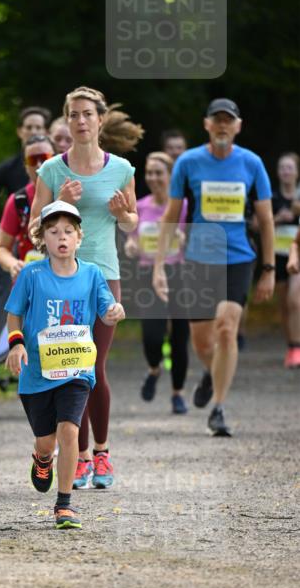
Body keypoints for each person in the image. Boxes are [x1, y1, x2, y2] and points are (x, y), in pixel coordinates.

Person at [30, 86, 139, 490]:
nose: (80, 121)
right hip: (61, 278)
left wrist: (122, 213)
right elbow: (32, 230)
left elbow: (131, 223)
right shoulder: (52, 171)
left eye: (87, 114)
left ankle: (102, 453)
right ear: (67, 119)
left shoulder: (122, 169)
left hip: (104, 276)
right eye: (73, 114)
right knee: (68, 364)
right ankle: (78, 457)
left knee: (94, 365)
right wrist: (57, 201)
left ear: (99, 119)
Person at [153, 98, 275, 436]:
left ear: (238, 126)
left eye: (228, 120)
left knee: (226, 327)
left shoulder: (251, 163)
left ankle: (218, 408)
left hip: (237, 257)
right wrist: (159, 265)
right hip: (198, 258)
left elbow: (265, 220)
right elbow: (170, 216)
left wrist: (268, 269)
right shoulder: (189, 163)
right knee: (203, 344)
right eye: (216, 120)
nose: (222, 125)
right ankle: (212, 371)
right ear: (207, 124)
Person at [5, 201, 125, 528]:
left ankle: (65, 504)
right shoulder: (32, 274)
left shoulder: (91, 274)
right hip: (37, 372)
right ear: (42, 238)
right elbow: (13, 312)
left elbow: (107, 307)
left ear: (79, 237)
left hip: (76, 368)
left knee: (69, 431)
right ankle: (42, 458)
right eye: (53, 231)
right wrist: (16, 343)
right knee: (46, 442)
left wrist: (115, 311)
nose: (62, 237)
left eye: (68, 232)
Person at [124, 152, 190, 414]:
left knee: (180, 337)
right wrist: (131, 246)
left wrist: (185, 239)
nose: (152, 177)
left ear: (170, 176)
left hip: (180, 273)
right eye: (149, 172)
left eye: (158, 172)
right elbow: (132, 239)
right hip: (147, 274)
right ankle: (154, 368)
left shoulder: (184, 205)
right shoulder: (140, 206)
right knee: (152, 336)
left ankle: (178, 393)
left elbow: (195, 235)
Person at [0, 134, 55, 280]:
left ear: (56, 158)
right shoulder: (18, 200)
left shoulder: (73, 192)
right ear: (25, 165)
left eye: (45, 157)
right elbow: (1, 248)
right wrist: (13, 264)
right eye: (33, 160)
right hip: (31, 284)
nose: (39, 165)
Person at [0, 106, 51, 206]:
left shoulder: (59, 163)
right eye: (29, 127)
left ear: (47, 132)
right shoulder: (8, 167)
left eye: (38, 127)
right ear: (19, 131)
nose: (33, 132)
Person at [269, 152, 300, 367]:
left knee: (294, 301)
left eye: (290, 168)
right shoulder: (271, 198)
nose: (286, 172)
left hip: (297, 254)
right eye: (282, 168)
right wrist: (278, 219)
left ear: (297, 172)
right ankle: (291, 345)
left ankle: (296, 347)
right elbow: (256, 224)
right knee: (284, 305)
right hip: (278, 255)